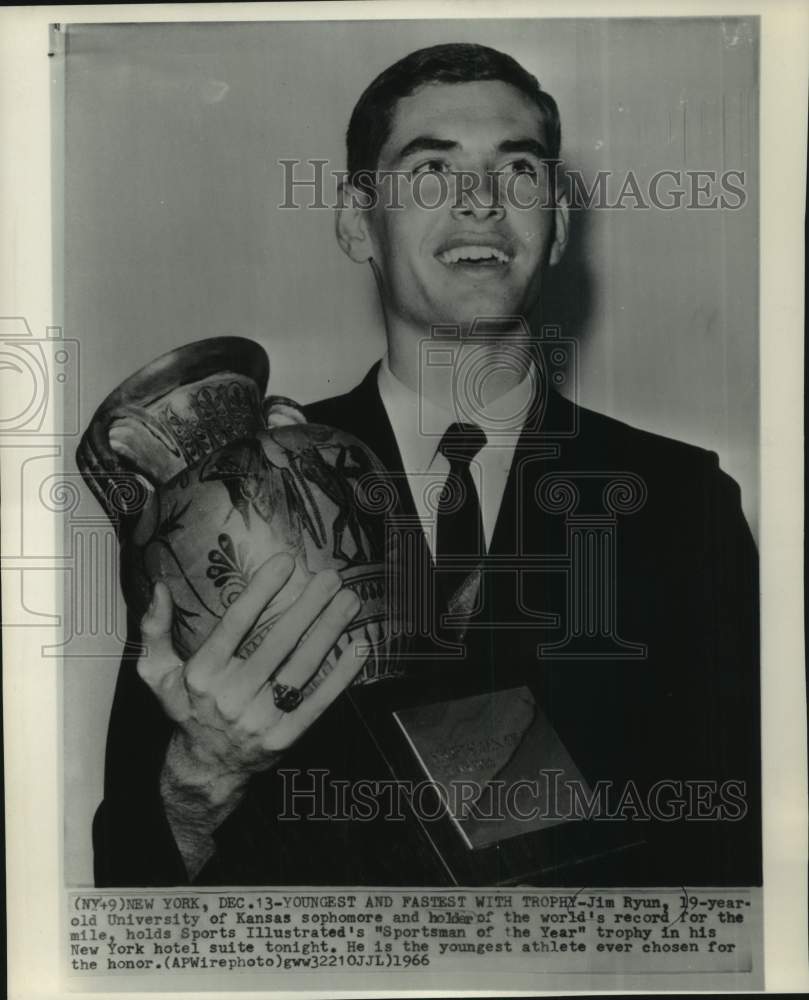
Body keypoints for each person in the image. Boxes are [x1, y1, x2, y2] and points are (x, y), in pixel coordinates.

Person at [93, 43, 760, 887]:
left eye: (517, 169)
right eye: (431, 170)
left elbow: (745, 862)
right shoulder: (212, 500)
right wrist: (201, 779)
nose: (480, 200)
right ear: (354, 221)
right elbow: (124, 886)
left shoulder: (682, 500)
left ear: (556, 223)